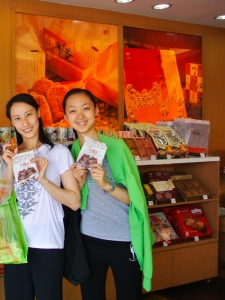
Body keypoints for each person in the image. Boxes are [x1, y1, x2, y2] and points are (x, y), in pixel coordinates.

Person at [62, 88, 155, 300]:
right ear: (66, 117)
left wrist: (106, 185)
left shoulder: (116, 147)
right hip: (89, 239)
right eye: (73, 111)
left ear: (96, 110)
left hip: (123, 238)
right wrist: (78, 182)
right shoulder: (72, 151)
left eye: (86, 108)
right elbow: (76, 201)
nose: (80, 116)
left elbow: (135, 199)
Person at [2, 93, 81, 300]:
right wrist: (10, 168)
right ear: (12, 122)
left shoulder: (58, 152)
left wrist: (43, 179)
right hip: (16, 243)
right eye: (17, 118)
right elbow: (3, 200)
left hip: (48, 242)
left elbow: (74, 202)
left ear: (38, 113)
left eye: (28, 114)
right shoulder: (10, 156)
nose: (25, 122)